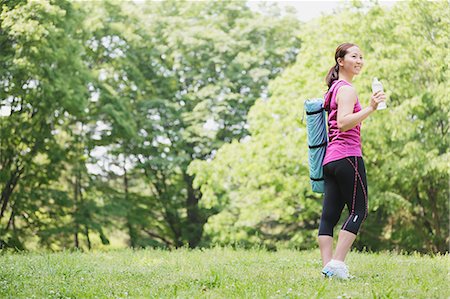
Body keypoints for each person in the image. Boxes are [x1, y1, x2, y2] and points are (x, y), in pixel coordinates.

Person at [318, 43, 386, 279]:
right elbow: (345, 122)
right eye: (354, 56)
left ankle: (328, 269)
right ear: (341, 61)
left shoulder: (333, 88)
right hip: (348, 156)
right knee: (359, 209)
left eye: (361, 57)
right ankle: (337, 263)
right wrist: (371, 107)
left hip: (330, 160)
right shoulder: (347, 89)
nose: (359, 60)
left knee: (329, 217)